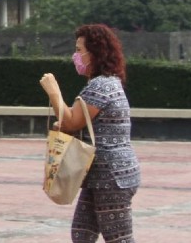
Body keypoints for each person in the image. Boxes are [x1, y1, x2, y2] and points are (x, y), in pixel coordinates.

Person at [40, 24, 141, 243]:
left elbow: (71, 122)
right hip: (100, 176)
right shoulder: (105, 83)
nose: (75, 56)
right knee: (82, 233)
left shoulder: (101, 86)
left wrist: (53, 91)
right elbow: (78, 123)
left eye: (79, 50)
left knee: (118, 238)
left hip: (111, 178)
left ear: (95, 53)